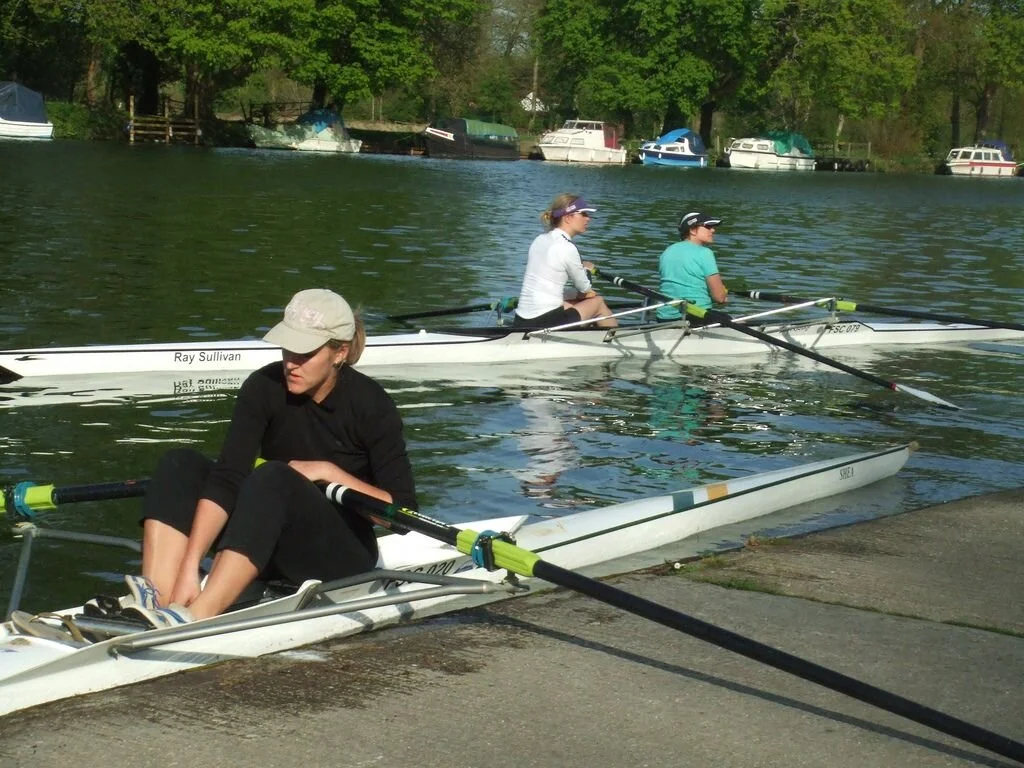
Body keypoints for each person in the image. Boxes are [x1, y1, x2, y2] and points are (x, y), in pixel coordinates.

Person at [113, 289, 417, 629]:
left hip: (341, 557)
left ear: (340, 352)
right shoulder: (263, 386)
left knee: (273, 477)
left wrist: (329, 472)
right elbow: (227, 479)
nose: (291, 363)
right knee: (179, 463)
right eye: (288, 348)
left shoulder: (372, 405)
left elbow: (403, 515)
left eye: (305, 353)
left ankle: (197, 617)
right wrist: (190, 565)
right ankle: (159, 597)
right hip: (267, 537)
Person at [512, 194, 618, 329]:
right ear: (568, 218)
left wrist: (577, 295)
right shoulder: (567, 247)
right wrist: (586, 270)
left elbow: (549, 288)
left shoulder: (539, 240)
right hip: (545, 321)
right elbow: (585, 289)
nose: (588, 218)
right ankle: (616, 339)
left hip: (521, 320)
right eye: (583, 214)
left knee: (570, 303)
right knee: (598, 302)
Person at [655, 211, 728, 323]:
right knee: (739, 322)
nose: (713, 230)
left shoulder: (667, 251)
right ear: (693, 230)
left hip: (664, 318)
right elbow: (719, 298)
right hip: (696, 316)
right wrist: (723, 293)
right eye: (708, 227)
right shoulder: (705, 253)